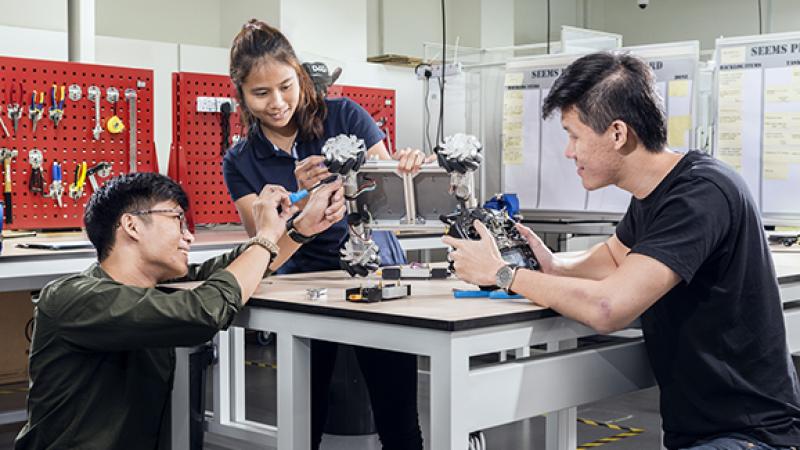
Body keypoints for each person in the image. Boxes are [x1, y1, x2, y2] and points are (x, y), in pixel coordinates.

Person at [444, 51, 800, 450]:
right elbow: (616, 257)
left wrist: (504, 274)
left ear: (617, 133)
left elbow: (607, 308)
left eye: (574, 136)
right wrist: (553, 265)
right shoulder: (658, 191)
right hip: (701, 432)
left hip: (750, 437)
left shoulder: (699, 195)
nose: (569, 151)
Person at [14, 171, 344, 449]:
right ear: (132, 225)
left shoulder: (159, 288)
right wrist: (266, 235)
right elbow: (203, 310)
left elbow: (236, 270)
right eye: (176, 219)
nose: (188, 237)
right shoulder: (73, 298)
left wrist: (300, 229)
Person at [222, 19, 427, 450]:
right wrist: (298, 206)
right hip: (303, 287)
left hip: (375, 274)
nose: (278, 103)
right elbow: (264, 247)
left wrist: (394, 173)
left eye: (286, 86)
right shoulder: (241, 159)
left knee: (398, 420)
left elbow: (384, 201)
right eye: (261, 93)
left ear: (299, 75)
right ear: (240, 94)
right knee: (304, 421)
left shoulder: (346, 115)